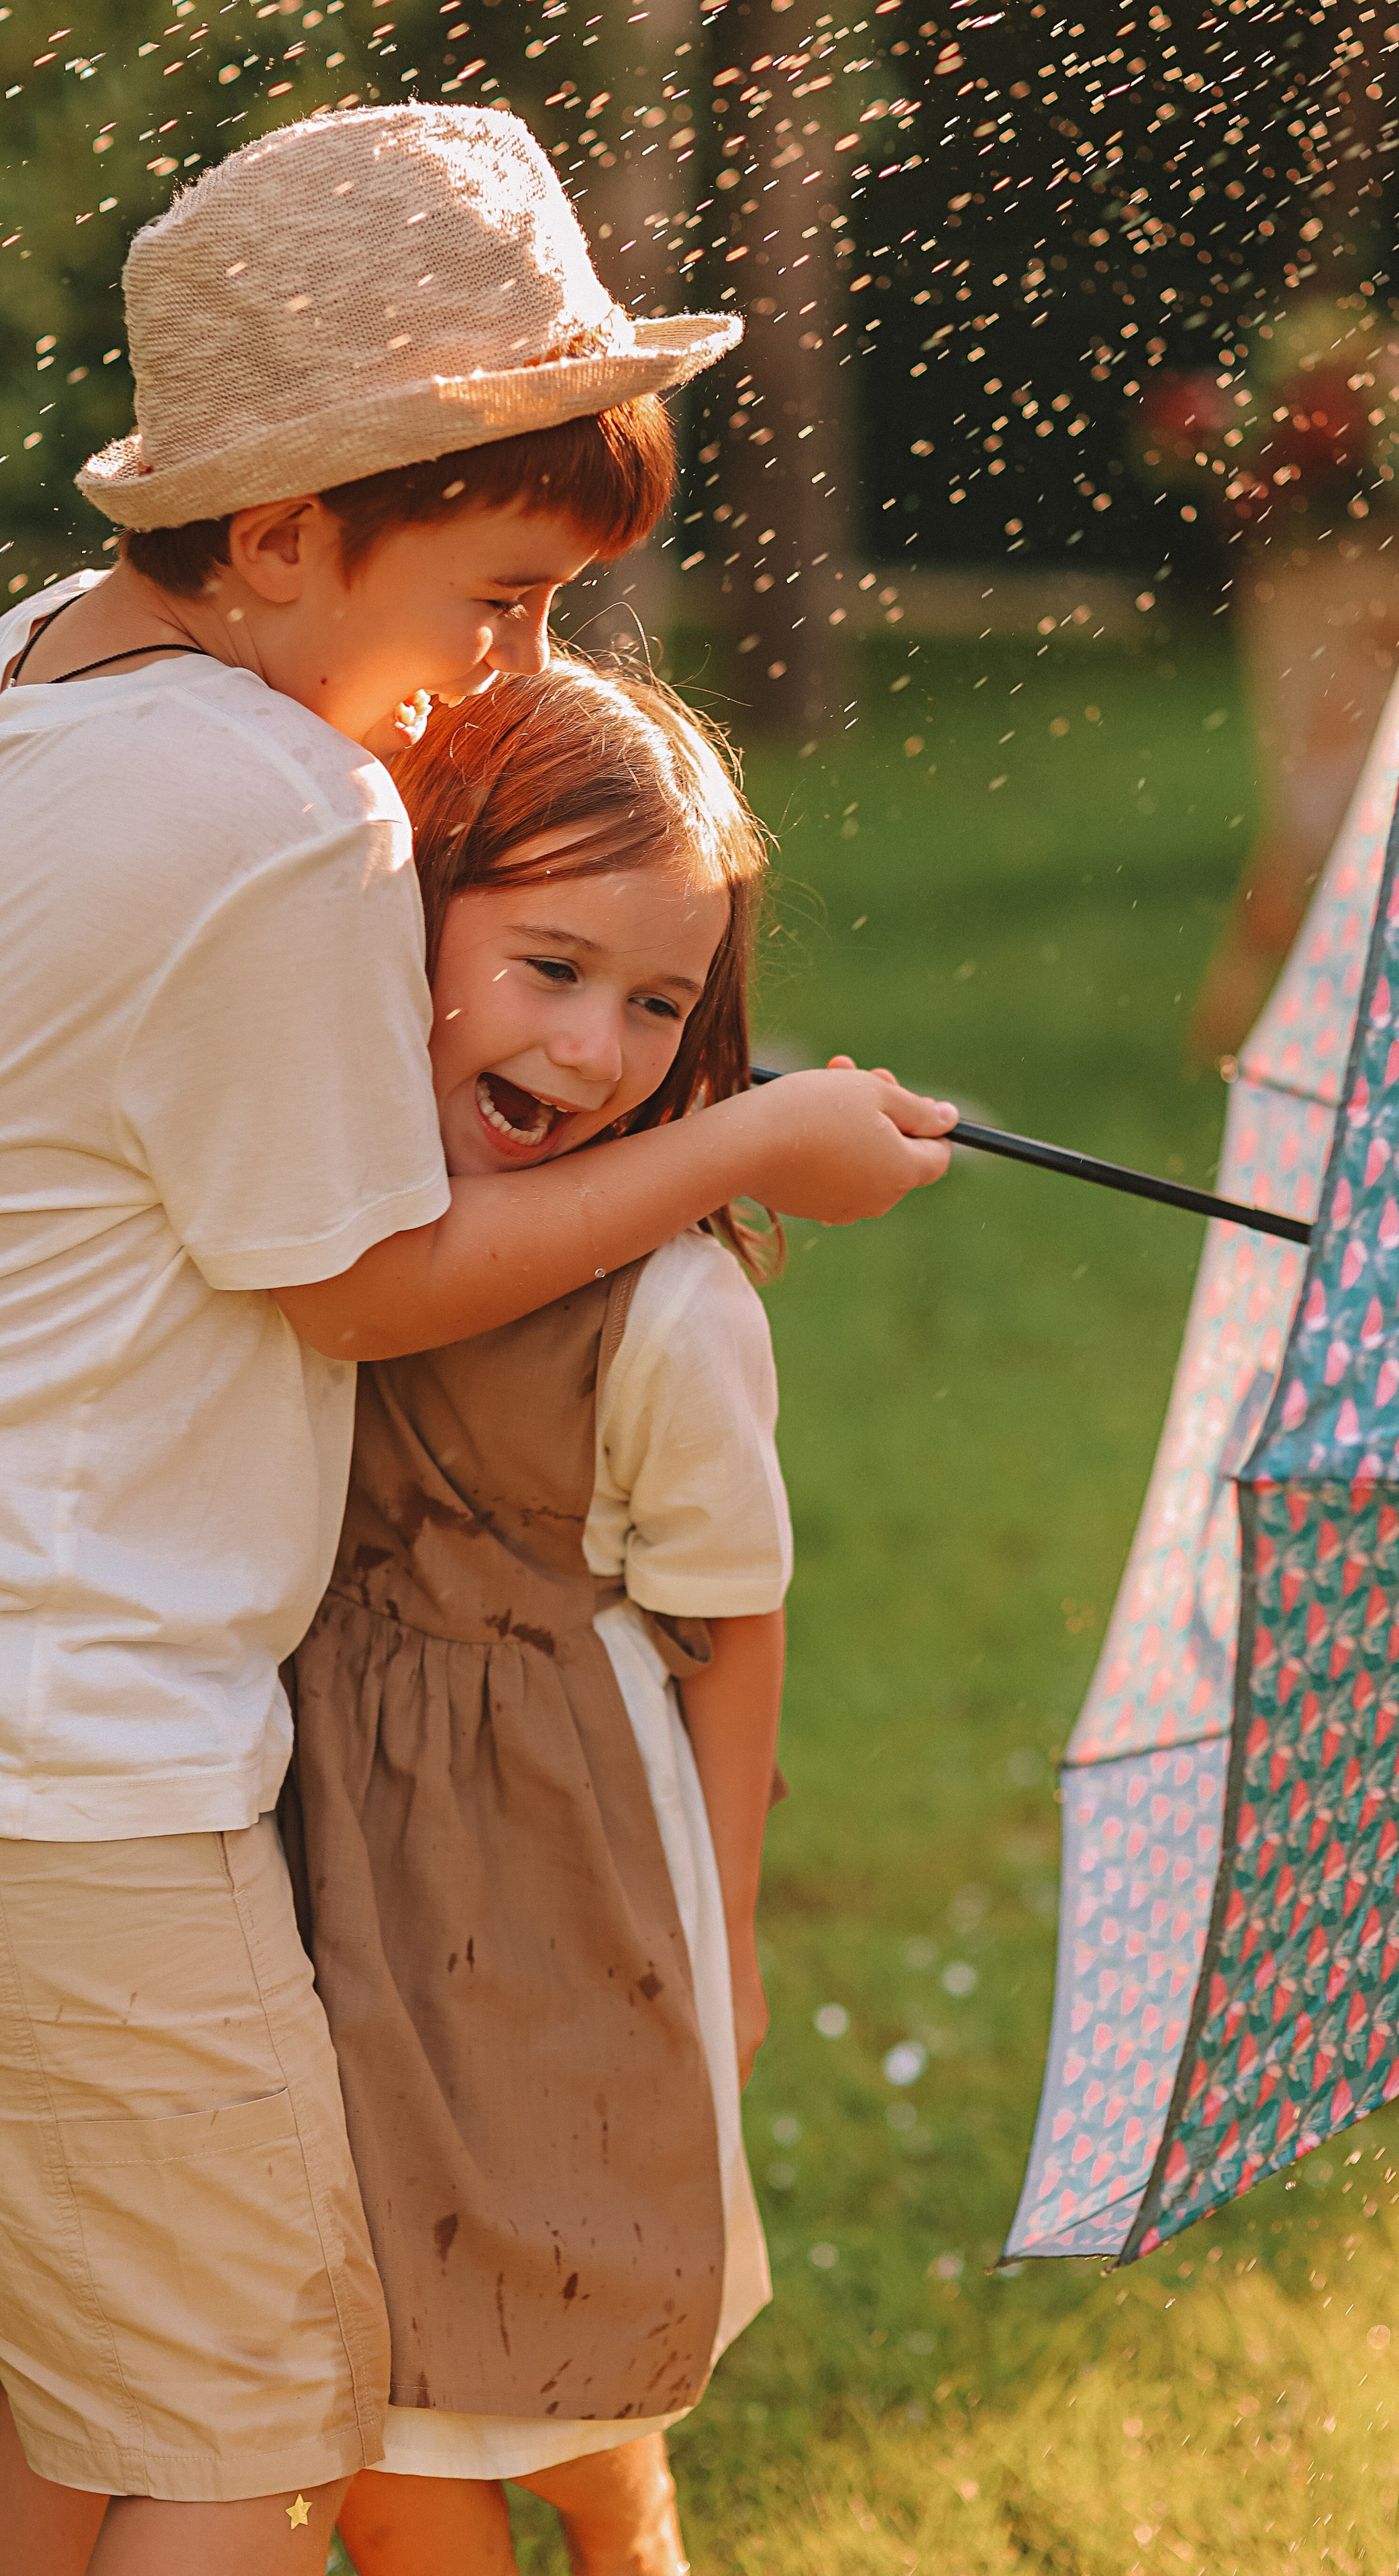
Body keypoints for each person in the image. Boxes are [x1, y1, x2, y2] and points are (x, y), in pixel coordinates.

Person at [0, 102, 951, 2576]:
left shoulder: (45, 681)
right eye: (502, 601)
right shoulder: (279, 808)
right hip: (83, 1750)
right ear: (290, 536)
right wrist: (751, 1146)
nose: (513, 675)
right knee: (243, 2413)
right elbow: (362, 1281)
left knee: (65, 2390)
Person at [289, 655, 792, 2576]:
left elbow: (731, 1625)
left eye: (659, 1003)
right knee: (399, 2427)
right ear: (409, 916)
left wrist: (728, 1933)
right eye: (550, 967)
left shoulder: (664, 1313)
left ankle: (631, 2527)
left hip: (567, 1871)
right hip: (326, 1852)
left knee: (584, 2388)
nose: (594, 1054)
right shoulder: (301, 1208)